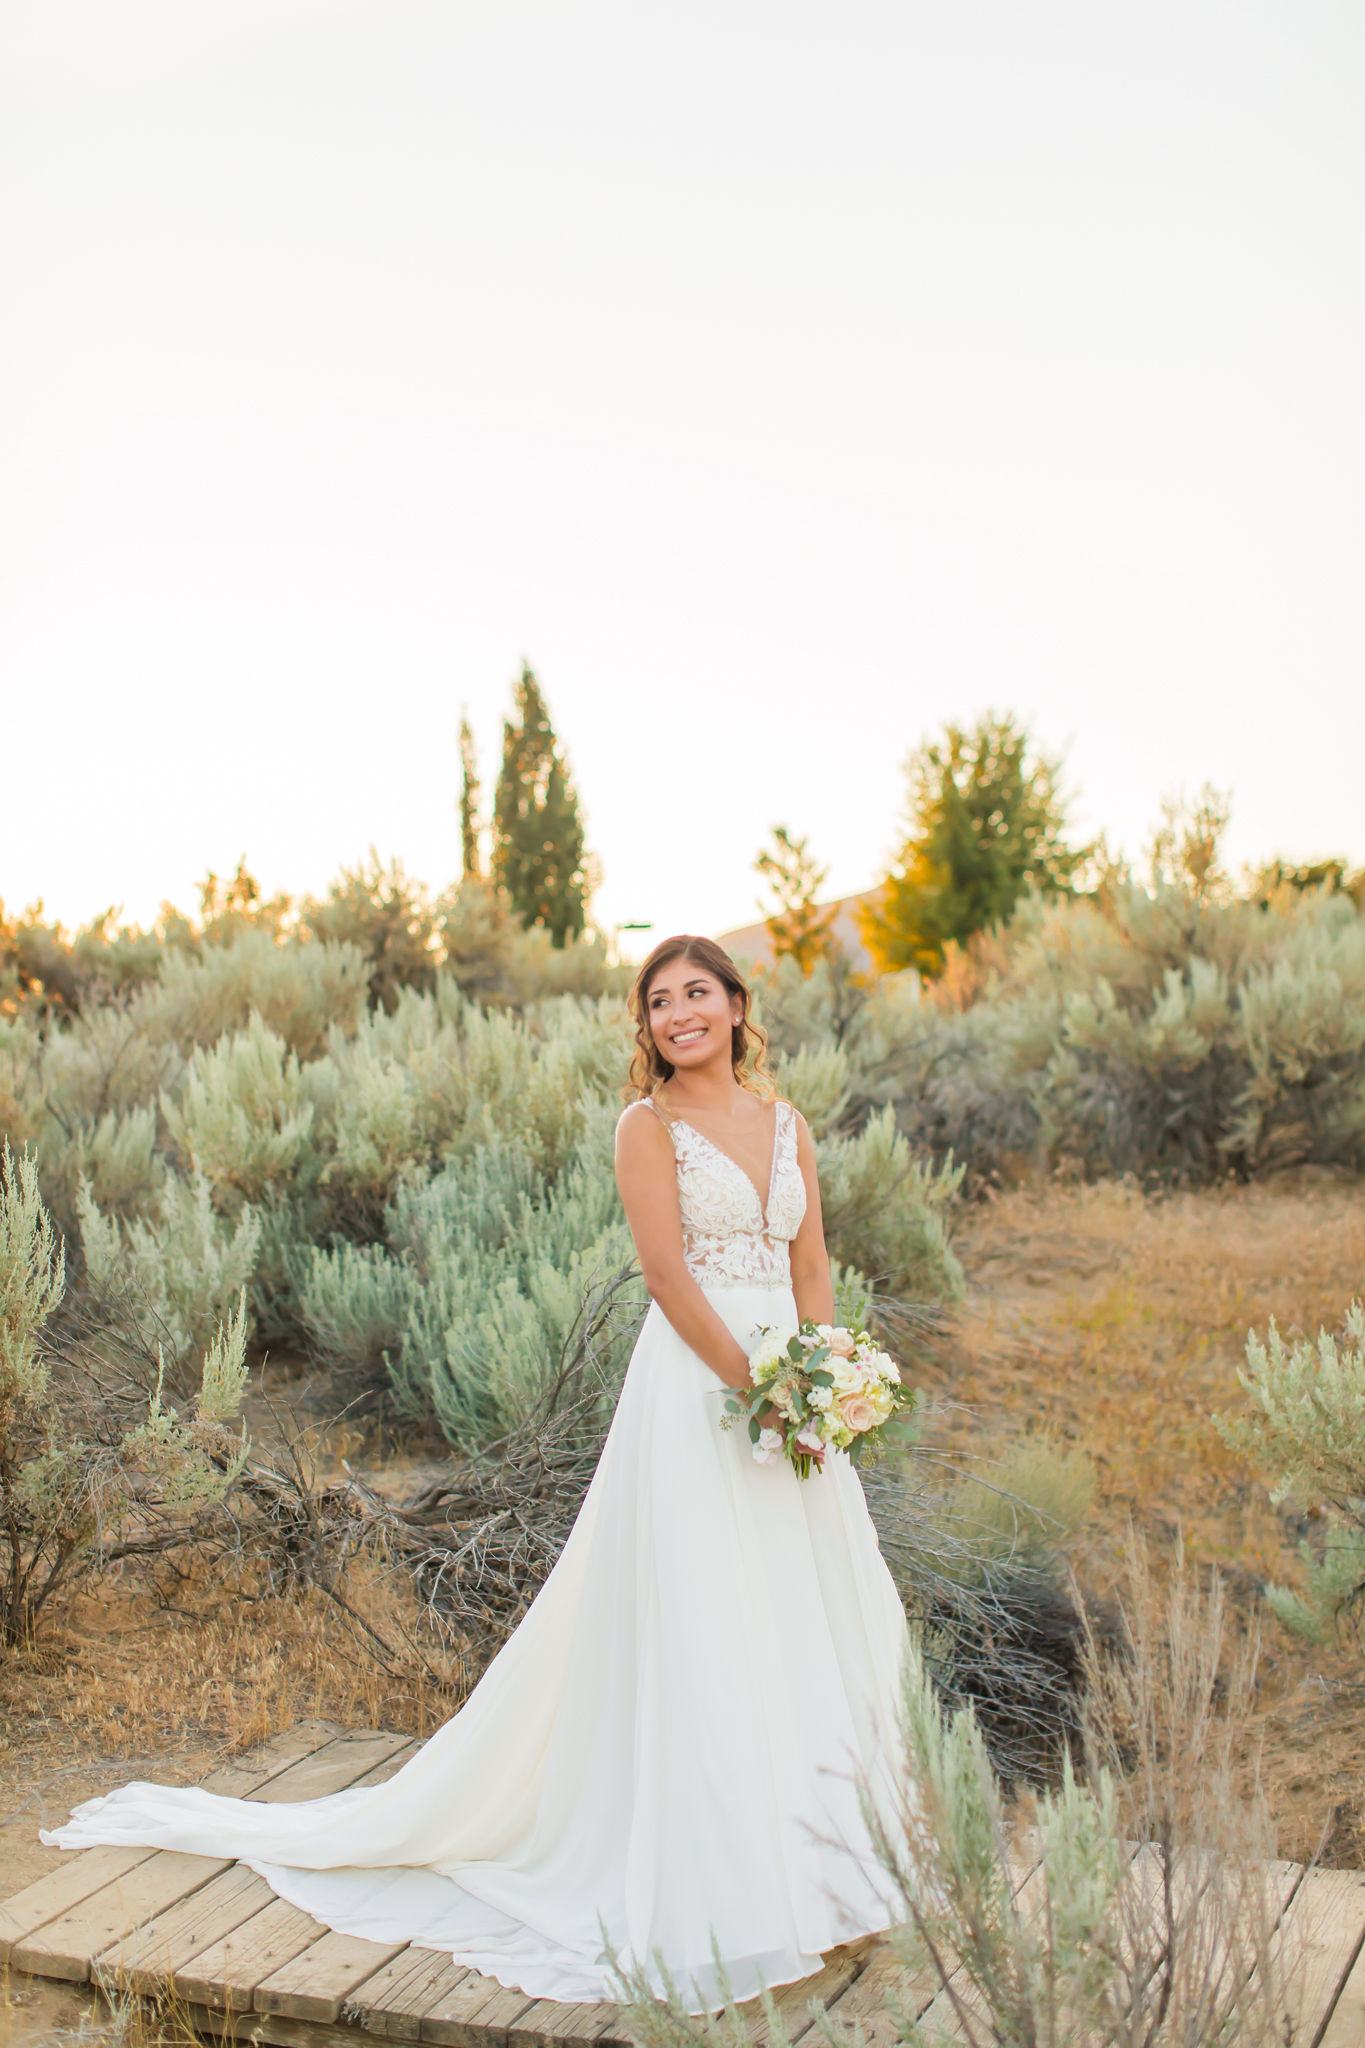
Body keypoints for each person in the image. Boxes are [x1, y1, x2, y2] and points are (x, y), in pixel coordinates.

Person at [42, 935, 911, 2011]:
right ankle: (723, 1898)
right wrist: (758, 1385)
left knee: (799, 1615)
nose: (680, 1011)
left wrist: (818, 1375)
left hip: (792, 1396)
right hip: (700, 1392)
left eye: (698, 992)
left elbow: (811, 1262)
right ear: (644, 1026)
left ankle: (822, 1878)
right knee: (711, 1619)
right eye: (658, 999)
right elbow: (665, 1274)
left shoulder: (788, 1126)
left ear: (738, 1005)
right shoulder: (648, 1126)